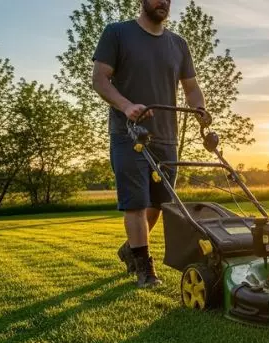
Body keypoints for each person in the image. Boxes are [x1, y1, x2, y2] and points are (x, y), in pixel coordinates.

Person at [91, 0, 211, 288]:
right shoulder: (117, 33)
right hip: (129, 134)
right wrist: (126, 106)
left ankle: (130, 249)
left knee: (159, 204)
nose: (164, 2)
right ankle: (145, 268)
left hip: (166, 136)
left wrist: (201, 110)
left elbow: (191, 87)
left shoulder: (178, 44)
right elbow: (99, 79)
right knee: (136, 202)